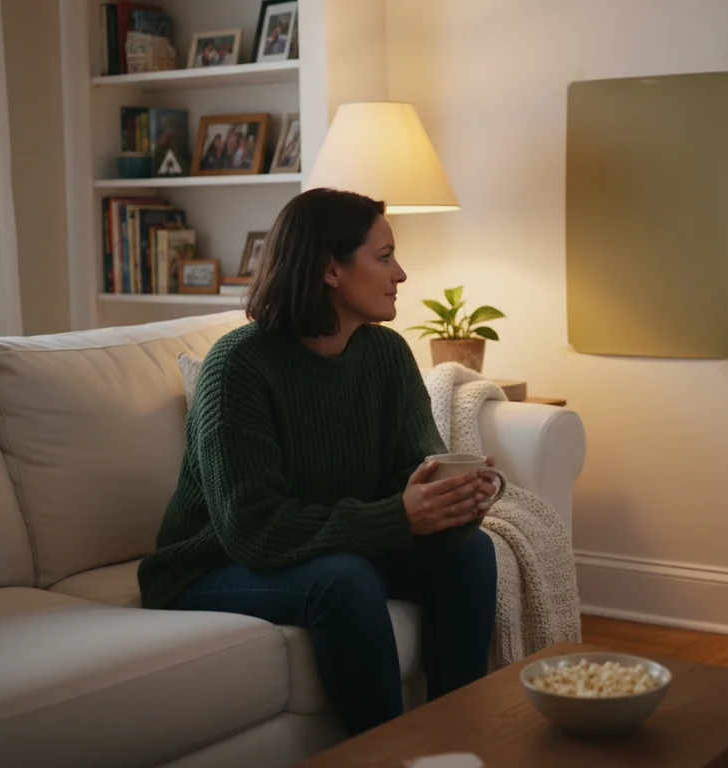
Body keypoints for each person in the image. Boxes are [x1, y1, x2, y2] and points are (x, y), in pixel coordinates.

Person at [137, 188, 498, 737]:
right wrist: (399, 517)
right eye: (384, 257)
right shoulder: (237, 368)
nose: (400, 274)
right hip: (210, 564)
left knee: (470, 552)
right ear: (330, 270)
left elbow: (407, 477)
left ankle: (458, 741)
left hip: (328, 544)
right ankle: (386, 755)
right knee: (343, 579)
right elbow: (252, 529)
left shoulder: (386, 355)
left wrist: (453, 502)